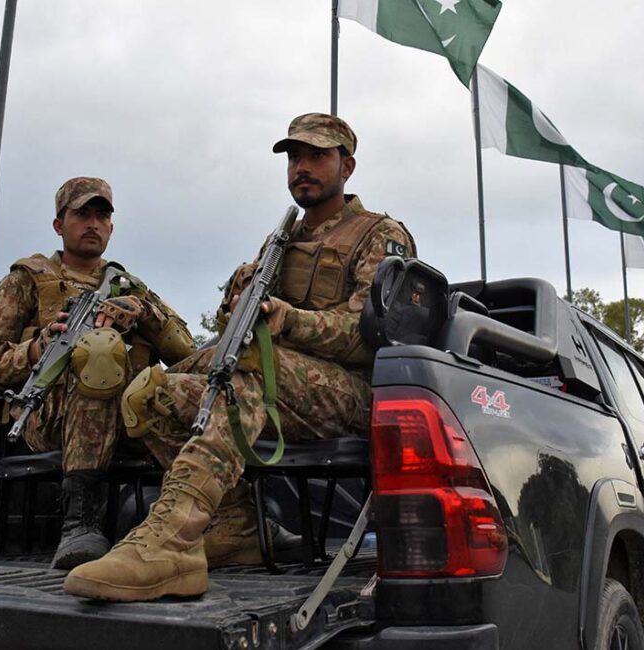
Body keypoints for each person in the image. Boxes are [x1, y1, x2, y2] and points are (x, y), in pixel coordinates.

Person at [64, 113, 417, 602]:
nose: (302, 167)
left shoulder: (379, 235)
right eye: (295, 157)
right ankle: (234, 528)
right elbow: (235, 328)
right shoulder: (281, 241)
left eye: (318, 155)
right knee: (151, 394)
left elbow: (368, 333)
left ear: (347, 166)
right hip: (273, 383)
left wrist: (288, 320)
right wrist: (238, 303)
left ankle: (173, 541)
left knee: (244, 367)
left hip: (351, 393)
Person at [0, 177, 197, 570]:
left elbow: (184, 350)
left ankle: (219, 516)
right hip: (48, 417)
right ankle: (80, 523)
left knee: (212, 372)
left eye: (101, 216)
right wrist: (37, 348)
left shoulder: (129, 285)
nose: (92, 223)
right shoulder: (28, 280)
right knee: (100, 355)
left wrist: (139, 311)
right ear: (60, 225)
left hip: (131, 415)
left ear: (111, 227)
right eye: (82, 214)